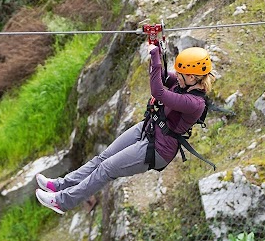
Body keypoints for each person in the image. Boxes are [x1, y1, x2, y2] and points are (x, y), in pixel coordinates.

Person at [34, 44, 215, 214]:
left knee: (106, 168)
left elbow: (158, 92)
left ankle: (62, 202)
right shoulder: (183, 83)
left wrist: (155, 56)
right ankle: (60, 185)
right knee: (102, 158)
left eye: (181, 73)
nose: (177, 75)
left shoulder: (194, 103)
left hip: (158, 149)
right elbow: (160, 78)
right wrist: (156, 52)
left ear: (192, 77)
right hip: (149, 128)